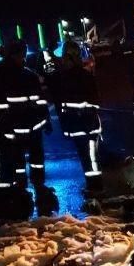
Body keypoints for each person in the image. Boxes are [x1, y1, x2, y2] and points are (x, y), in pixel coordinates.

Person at [0, 40, 53, 218]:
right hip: (25, 127)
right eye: (22, 54)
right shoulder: (24, 75)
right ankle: (32, 191)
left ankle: (23, 191)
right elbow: (39, 100)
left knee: (20, 161)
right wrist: (45, 120)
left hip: (17, 128)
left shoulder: (0, 75)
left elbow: (39, 101)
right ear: (16, 54)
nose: (23, 57)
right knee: (29, 161)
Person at [47, 40, 104, 190]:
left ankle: (96, 188)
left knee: (90, 158)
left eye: (65, 57)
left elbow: (94, 100)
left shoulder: (73, 77)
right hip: (83, 126)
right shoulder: (68, 77)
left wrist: (82, 110)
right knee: (88, 158)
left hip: (87, 126)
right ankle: (93, 186)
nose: (63, 61)